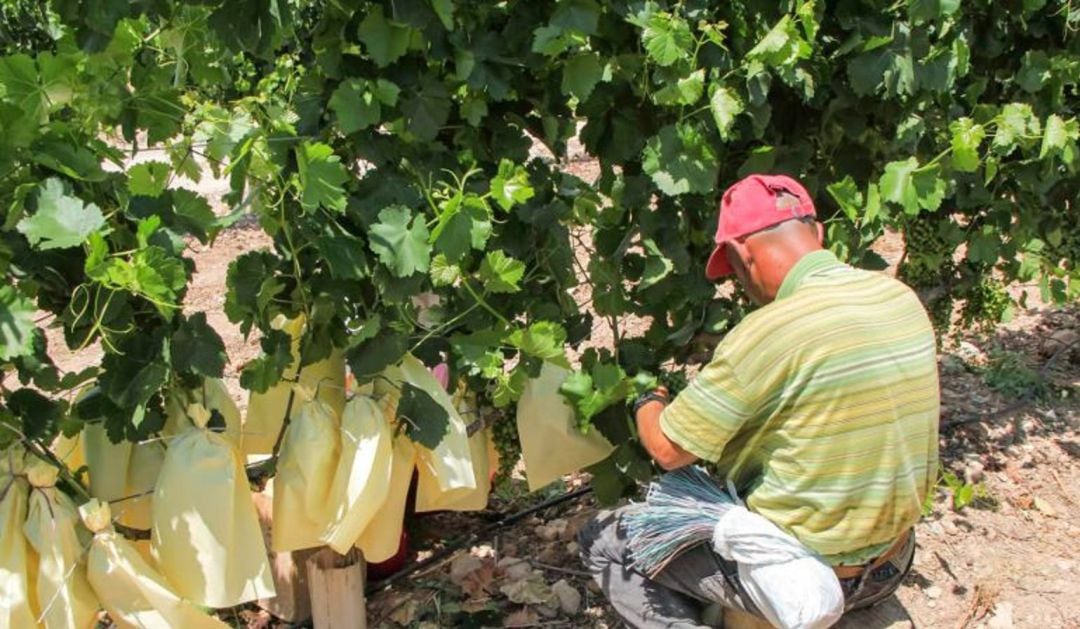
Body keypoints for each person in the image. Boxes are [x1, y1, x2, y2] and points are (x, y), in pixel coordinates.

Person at [578, 174, 940, 628]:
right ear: (817, 232)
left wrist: (648, 399)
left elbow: (668, 451)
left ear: (743, 254)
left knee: (604, 540)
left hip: (809, 579)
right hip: (890, 564)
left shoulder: (768, 331)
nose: (741, 287)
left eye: (733, 271)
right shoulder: (898, 298)